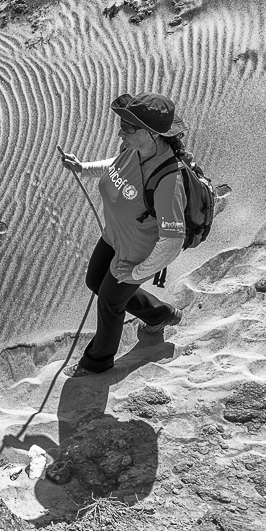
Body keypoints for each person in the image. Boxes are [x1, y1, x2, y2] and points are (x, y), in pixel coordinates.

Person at [60, 92, 188, 375]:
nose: (120, 131)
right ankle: (161, 315)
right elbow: (115, 167)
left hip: (136, 252)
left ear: (152, 134)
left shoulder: (168, 180)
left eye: (129, 127)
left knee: (109, 302)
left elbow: (172, 240)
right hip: (113, 236)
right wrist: (83, 168)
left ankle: (97, 362)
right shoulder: (134, 150)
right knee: (95, 281)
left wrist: (137, 271)